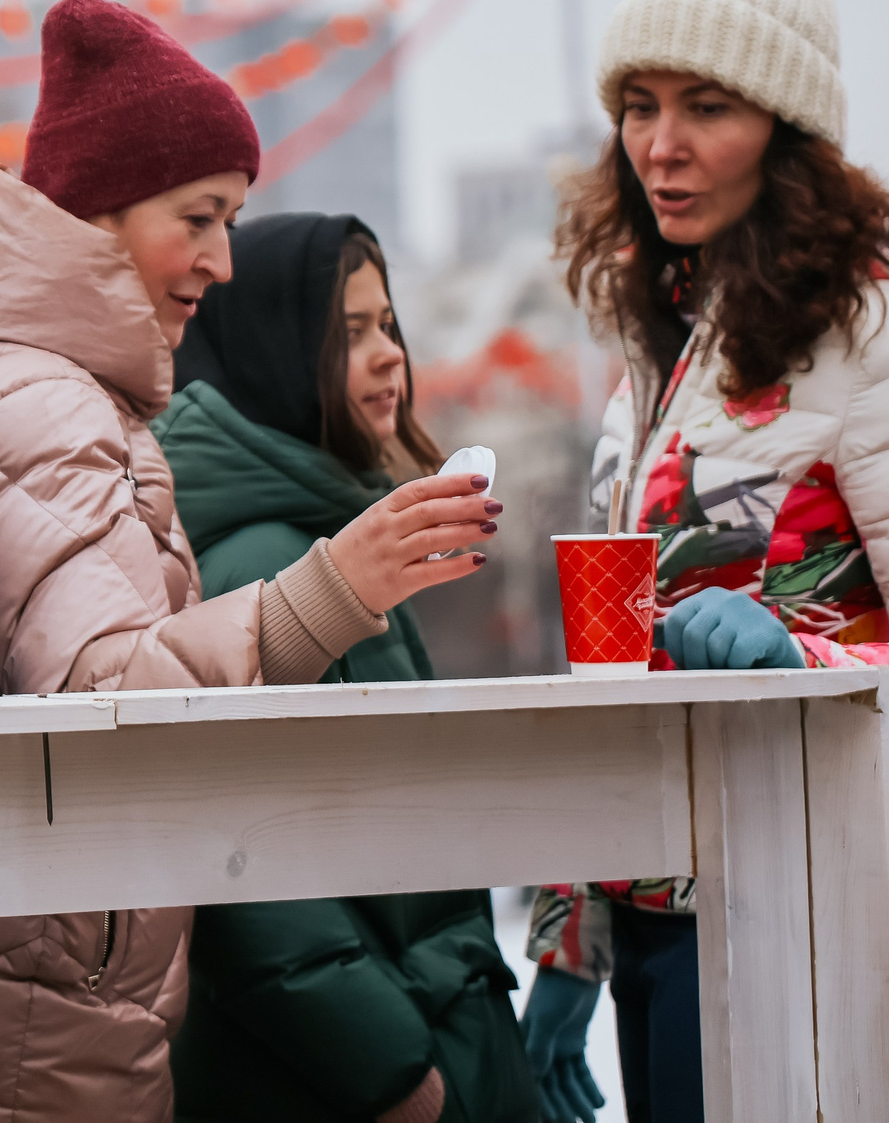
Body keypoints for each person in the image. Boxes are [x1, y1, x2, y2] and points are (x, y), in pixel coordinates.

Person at [0, 0, 498, 1123]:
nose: (223, 260)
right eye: (197, 216)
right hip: (24, 1017)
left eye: (231, 220)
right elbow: (103, 701)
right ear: (97, 209)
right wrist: (330, 594)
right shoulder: (35, 405)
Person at [526, 0, 889, 1122]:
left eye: (706, 105)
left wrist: (793, 661)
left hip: (810, 898)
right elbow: (616, 662)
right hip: (654, 907)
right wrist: (568, 931)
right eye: (638, 103)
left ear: (786, 129)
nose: (659, 144)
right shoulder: (660, 330)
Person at [155, 212, 541, 1123]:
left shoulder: (329, 529)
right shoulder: (270, 559)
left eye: (389, 326)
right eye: (348, 332)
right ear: (270, 351)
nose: (387, 358)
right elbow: (252, 877)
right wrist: (405, 1079)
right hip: (346, 1076)